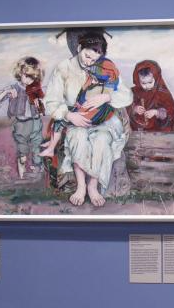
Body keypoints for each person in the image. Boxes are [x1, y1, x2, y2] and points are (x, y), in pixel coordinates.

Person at [42, 31, 132, 207]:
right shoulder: (64, 68)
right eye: (87, 56)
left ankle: (93, 186)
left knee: (102, 139)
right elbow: (50, 102)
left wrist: (107, 97)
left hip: (103, 120)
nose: (89, 62)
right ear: (79, 48)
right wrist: (69, 115)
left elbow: (126, 95)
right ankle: (81, 186)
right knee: (78, 137)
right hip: (77, 118)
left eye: (95, 58)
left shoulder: (106, 66)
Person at [0, 56, 46, 179]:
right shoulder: (14, 88)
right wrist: (6, 92)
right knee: (22, 150)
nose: (29, 80)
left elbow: (46, 102)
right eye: (27, 76)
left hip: (36, 121)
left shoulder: (36, 88)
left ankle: (37, 172)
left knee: (37, 146)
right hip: (21, 123)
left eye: (33, 77)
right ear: (20, 73)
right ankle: (22, 175)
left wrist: (41, 102)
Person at [129, 59, 174, 131]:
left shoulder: (162, 92)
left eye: (150, 82)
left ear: (156, 78)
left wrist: (157, 112)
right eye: (143, 83)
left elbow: (172, 111)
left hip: (157, 131)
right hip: (138, 131)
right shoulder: (134, 92)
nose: (147, 86)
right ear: (138, 80)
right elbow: (125, 108)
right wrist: (134, 109)